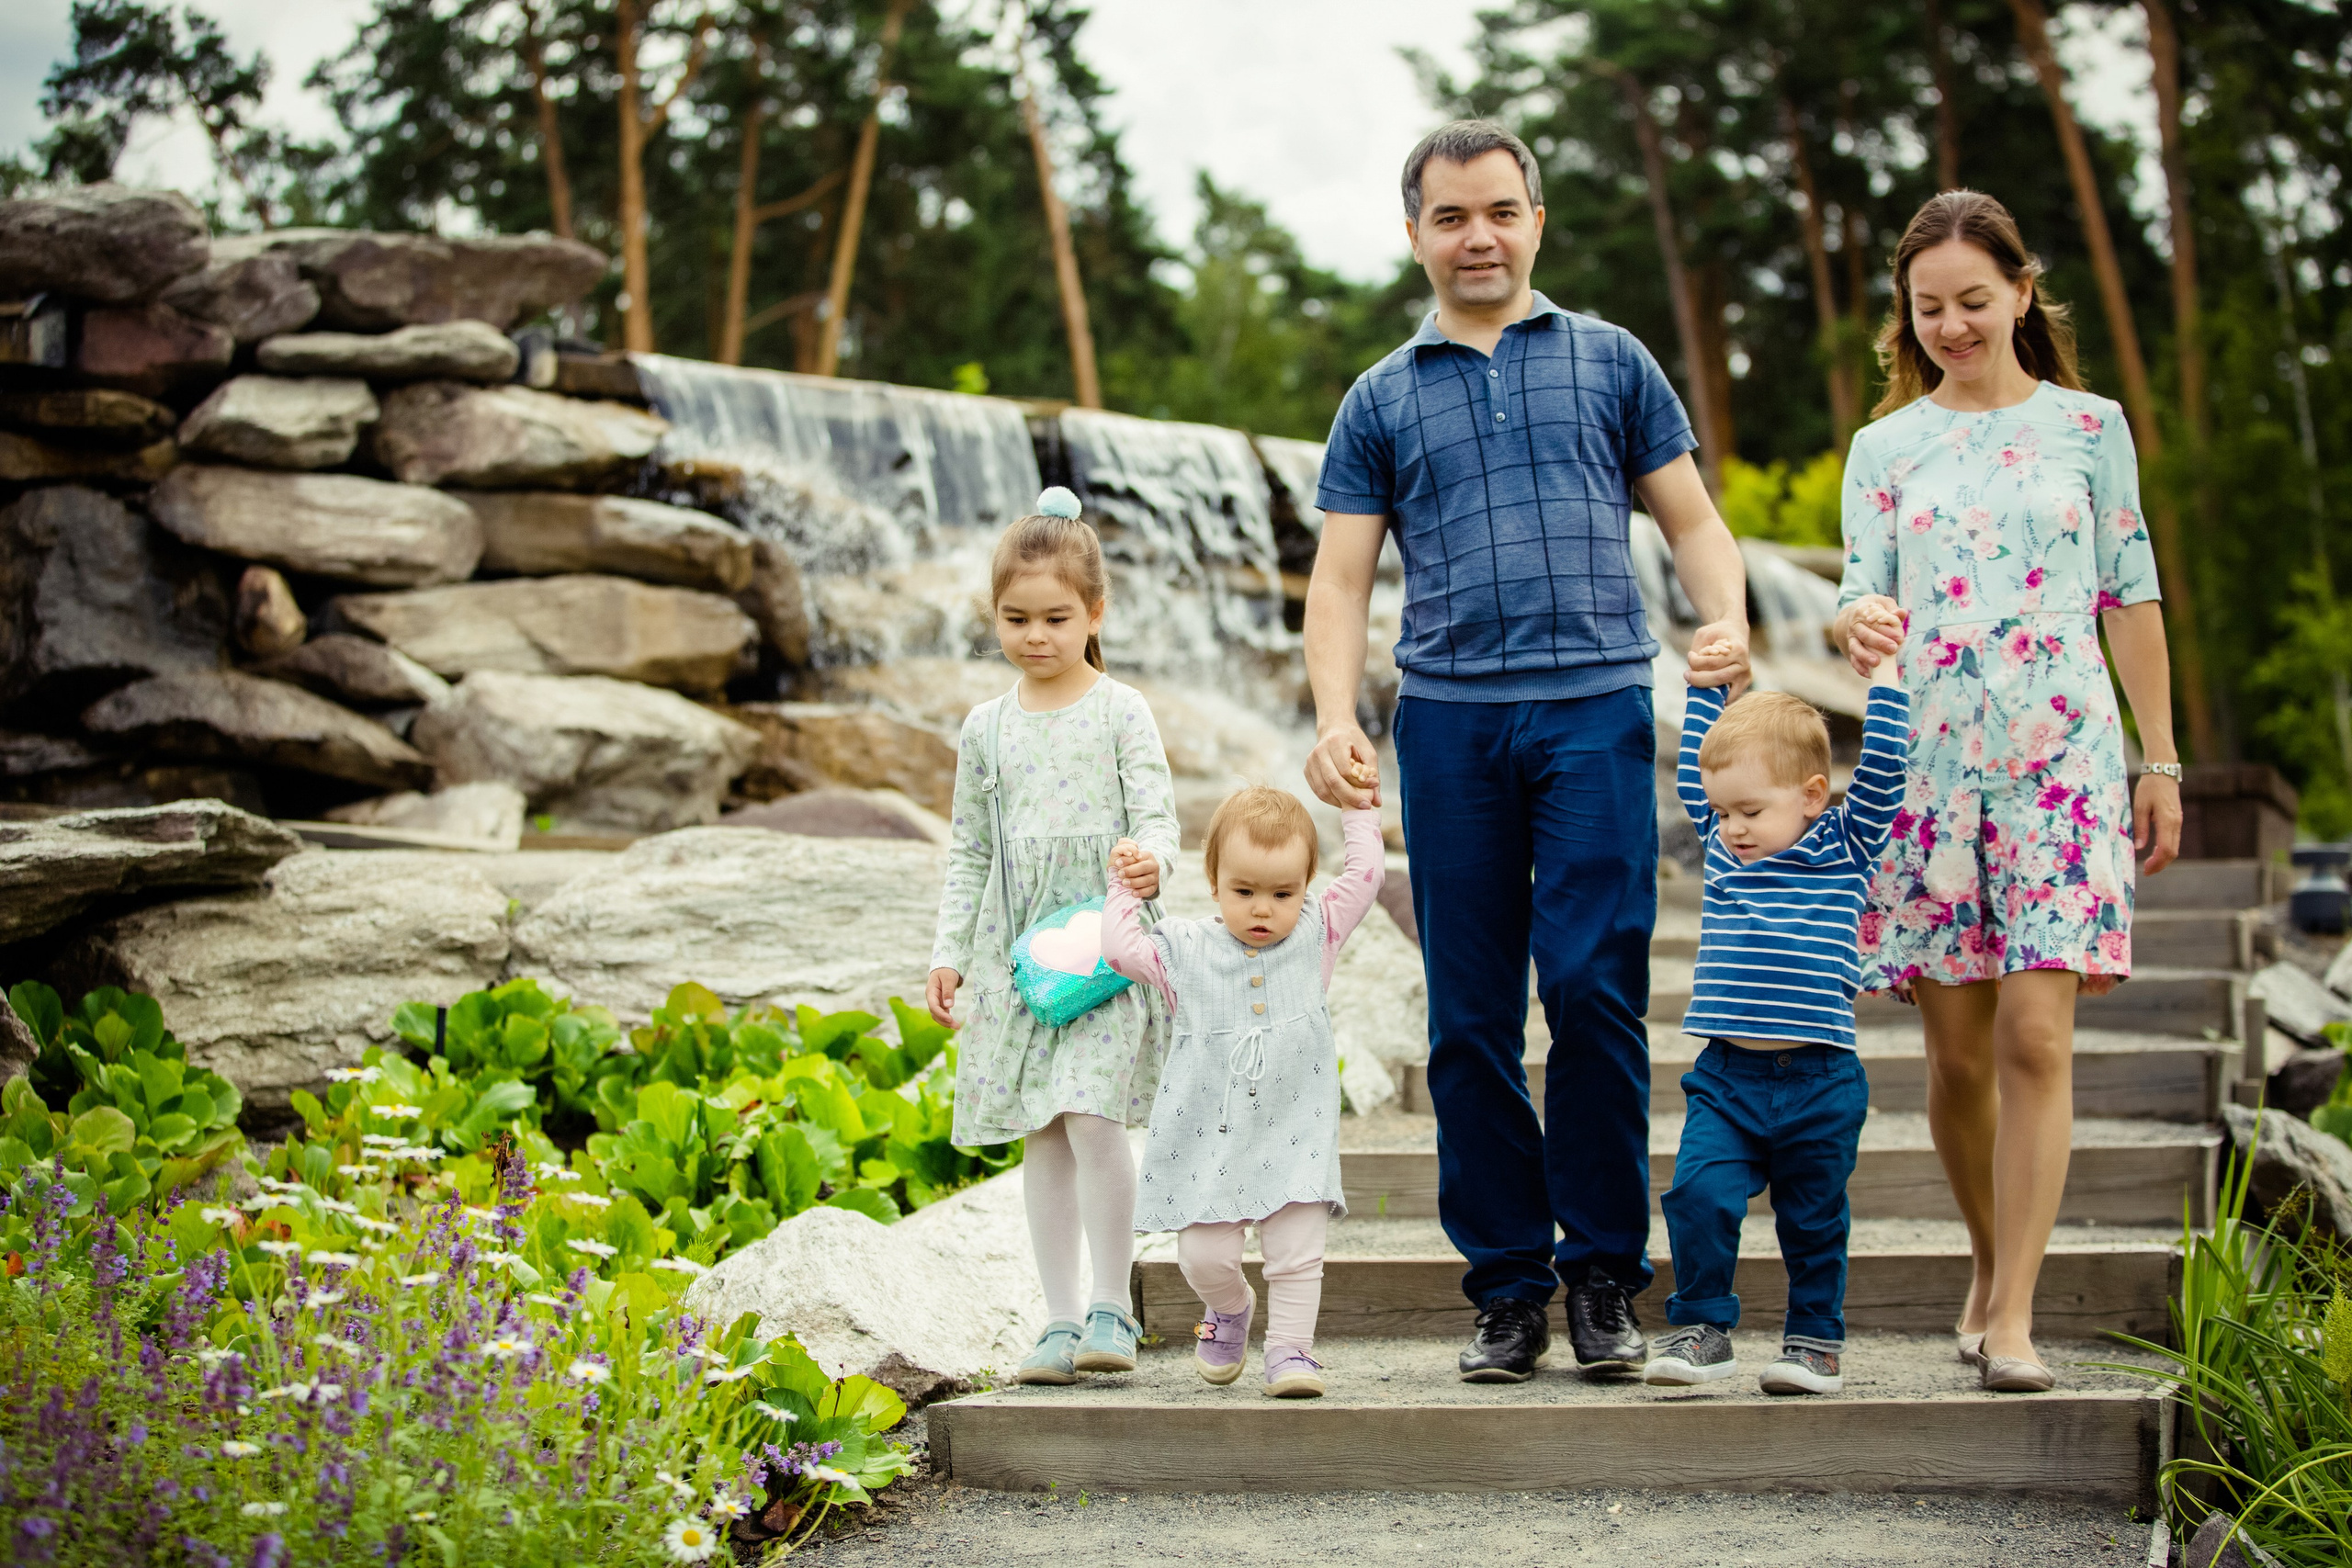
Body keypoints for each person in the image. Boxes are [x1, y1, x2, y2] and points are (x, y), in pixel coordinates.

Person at [1303, 118, 1751, 1382]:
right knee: (1469, 1017)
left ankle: (1603, 1276)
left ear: (1535, 221)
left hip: (1596, 708)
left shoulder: (1612, 360)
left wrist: (1723, 618)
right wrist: (1336, 717)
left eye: (1500, 211)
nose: (1478, 237)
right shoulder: (1379, 396)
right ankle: (1506, 1288)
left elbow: (1692, 520)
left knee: (1597, 993)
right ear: (1415, 236)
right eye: (1450, 217)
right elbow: (1339, 581)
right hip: (1448, 725)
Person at [1830, 190, 2183, 1393]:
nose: (1952, 326)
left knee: (2036, 1033)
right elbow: (1860, 593)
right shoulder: (1885, 449)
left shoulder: (2090, 429)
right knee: (1958, 1060)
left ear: (2023, 293)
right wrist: (1852, 620)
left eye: (1973, 300)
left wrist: (2159, 757)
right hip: (1930, 770)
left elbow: (2129, 591)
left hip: (2062, 763)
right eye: (1928, 307)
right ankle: (1988, 1257)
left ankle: (2018, 1313)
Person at [926, 485, 1181, 1387]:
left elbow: (1159, 817)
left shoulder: (1121, 711)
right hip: (1022, 960)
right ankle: (1060, 1318)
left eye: (1056, 618)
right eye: (1016, 619)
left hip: (1104, 947)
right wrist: (948, 952)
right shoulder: (986, 728)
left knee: (1094, 1117)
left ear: (1094, 614)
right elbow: (969, 849)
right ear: (994, 616)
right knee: (1043, 1128)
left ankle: (1113, 1304)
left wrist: (1151, 862)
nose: (1035, 636)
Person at [1643, 637, 1908, 1395]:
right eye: (1723, 811)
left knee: (1813, 1217)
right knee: (1698, 1194)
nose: (1731, 826)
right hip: (1728, 1076)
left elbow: (1884, 772)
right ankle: (1703, 1327)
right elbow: (1698, 775)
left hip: (1819, 1078)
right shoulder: (1727, 853)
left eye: (1751, 810)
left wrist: (1886, 677)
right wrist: (1708, 686)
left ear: (1813, 796)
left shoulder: (1847, 847)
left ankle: (1814, 1340)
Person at [1101, 782, 1386, 1399]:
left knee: (1297, 1252)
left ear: (1306, 887)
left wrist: (1357, 808)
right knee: (1202, 1256)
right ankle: (1229, 1309)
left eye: (1283, 893)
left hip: (1295, 1128)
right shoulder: (1185, 950)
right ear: (1214, 883)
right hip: (1209, 1136)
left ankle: (1290, 1350)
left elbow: (1365, 877)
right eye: (1244, 891)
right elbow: (1121, 953)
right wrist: (1123, 888)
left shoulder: (1317, 931)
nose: (1264, 909)